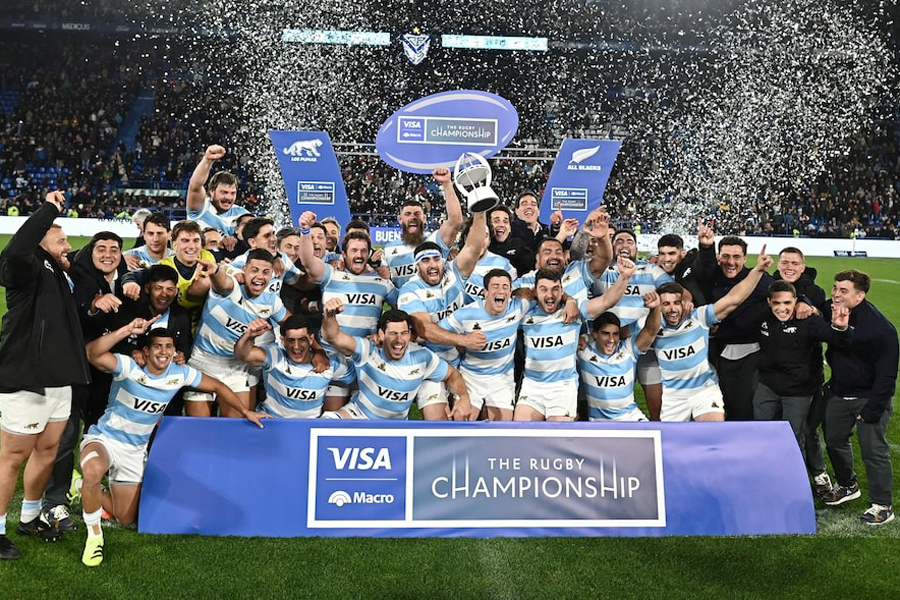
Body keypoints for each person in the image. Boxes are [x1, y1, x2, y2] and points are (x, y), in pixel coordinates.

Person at [79, 317, 267, 566]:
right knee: (94, 468)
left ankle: (80, 485)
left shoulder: (180, 374)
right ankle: (94, 538)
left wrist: (246, 412)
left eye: (169, 347)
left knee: (124, 518)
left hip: (135, 452)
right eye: (157, 346)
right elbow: (91, 353)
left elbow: (219, 387)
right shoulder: (128, 367)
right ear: (145, 351)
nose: (164, 352)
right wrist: (126, 330)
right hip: (104, 440)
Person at [0, 191, 91, 560]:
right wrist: (50, 208)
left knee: (48, 449)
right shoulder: (26, 266)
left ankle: (30, 516)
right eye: (62, 239)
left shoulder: (56, 269)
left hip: (59, 378)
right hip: (27, 377)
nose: (69, 246)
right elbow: (17, 248)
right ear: (40, 239)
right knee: (12, 457)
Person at [652, 245, 773, 422]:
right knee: (673, 445)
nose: (672, 309)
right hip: (673, 397)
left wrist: (757, 270)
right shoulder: (653, 327)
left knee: (712, 431)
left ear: (684, 302)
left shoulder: (699, 317)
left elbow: (733, 299)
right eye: (666, 304)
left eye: (676, 303)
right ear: (658, 307)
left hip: (704, 390)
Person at [819, 270, 898, 525]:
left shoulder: (882, 328)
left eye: (843, 290)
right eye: (834, 288)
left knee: (874, 452)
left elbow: (887, 375)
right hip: (839, 393)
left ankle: (883, 505)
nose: (835, 294)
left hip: (869, 397)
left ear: (860, 295)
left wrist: (874, 408)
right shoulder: (833, 309)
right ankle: (847, 485)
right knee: (833, 441)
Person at [397, 213, 489, 419]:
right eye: (425, 261)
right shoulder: (409, 291)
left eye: (436, 259)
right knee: (436, 422)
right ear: (417, 266)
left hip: (460, 360)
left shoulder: (453, 273)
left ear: (443, 260)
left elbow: (474, 247)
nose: (432, 265)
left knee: (467, 417)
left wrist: (481, 212)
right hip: (430, 365)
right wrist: (463, 340)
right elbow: (425, 330)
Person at [514, 262, 633, 422]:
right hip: (532, 385)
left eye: (555, 289)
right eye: (544, 289)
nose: (550, 295)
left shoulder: (574, 312)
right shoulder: (525, 312)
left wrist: (624, 277)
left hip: (562, 387)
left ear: (562, 290)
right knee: (522, 435)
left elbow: (606, 301)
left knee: (557, 438)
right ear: (535, 291)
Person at [320, 300, 476, 420]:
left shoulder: (423, 357)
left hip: (396, 427)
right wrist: (329, 316)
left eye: (404, 333)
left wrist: (463, 397)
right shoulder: (367, 350)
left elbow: (451, 375)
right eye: (393, 333)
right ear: (381, 335)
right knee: (324, 425)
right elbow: (333, 337)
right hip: (359, 416)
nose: (399, 340)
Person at [753, 280, 851, 472]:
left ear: (795, 301)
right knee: (760, 430)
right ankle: (764, 472)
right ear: (769, 302)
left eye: (787, 303)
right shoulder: (762, 318)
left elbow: (836, 339)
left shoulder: (809, 321)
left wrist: (840, 329)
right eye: (777, 303)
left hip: (798, 391)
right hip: (768, 386)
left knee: (793, 436)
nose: (782, 308)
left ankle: (794, 479)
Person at [185, 249, 290, 417]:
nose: (260, 277)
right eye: (254, 270)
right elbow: (223, 283)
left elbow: (292, 324)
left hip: (236, 367)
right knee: (199, 430)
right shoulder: (232, 287)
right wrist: (216, 271)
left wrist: (317, 349)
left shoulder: (271, 302)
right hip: (202, 362)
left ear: (271, 275)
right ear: (245, 270)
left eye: (266, 272)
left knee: (235, 429)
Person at [590, 228, 676, 421]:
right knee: (604, 405)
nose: (624, 245)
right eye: (619, 241)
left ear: (637, 248)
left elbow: (675, 291)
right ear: (612, 247)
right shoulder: (602, 271)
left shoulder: (651, 270)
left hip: (646, 346)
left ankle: (658, 441)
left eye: (629, 241)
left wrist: (631, 329)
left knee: (658, 411)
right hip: (609, 347)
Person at [694, 231, 774, 420]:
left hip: (749, 353)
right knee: (717, 403)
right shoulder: (709, 276)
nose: (731, 262)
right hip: (713, 354)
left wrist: (805, 301)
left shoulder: (759, 279)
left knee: (743, 405)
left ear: (745, 258)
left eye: (737, 257)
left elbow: (785, 293)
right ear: (718, 257)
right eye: (726, 256)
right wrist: (705, 246)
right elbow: (697, 268)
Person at [771, 247, 831, 495]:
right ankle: (778, 472)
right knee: (775, 426)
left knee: (808, 428)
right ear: (779, 263)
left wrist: (810, 306)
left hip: (808, 373)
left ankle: (818, 475)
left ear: (802, 267)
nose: (789, 267)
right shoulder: (768, 285)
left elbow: (822, 316)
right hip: (773, 374)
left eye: (795, 263)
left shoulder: (815, 292)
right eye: (785, 262)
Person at [234, 315, 353, 418]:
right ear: (283, 341)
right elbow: (243, 354)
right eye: (291, 340)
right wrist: (249, 336)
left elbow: (359, 377)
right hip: (271, 423)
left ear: (311, 339)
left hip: (307, 430)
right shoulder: (275, 357)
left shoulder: (329, 364)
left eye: (302, 340)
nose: (296, 346)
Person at [578, 296, 662, 421]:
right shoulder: (583, 351)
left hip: (630, 418)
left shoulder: (628, 349)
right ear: (595, 334)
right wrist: (584, 338)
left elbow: (650, 331)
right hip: (599, 423)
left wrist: (655, 309)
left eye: (615, 334)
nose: (611, 340)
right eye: (605, 333)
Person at [383, 167, 463, 288]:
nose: (413, 217)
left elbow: (455, 221)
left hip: (434, 304)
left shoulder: (435, 241)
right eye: (408, 214)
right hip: (403, 306)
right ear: (400, 219)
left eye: (417, 214)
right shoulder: (388, 250)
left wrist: (447, 183)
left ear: (424, 218)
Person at [185, 144, 250, 244]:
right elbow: (195, 186)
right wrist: (207, 160)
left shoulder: (242, 214)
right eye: (224, 192)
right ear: (212, 192)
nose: (228, 197)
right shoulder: (201, 208)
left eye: (232, 193)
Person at [487, 204, 534, 277]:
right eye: (496, 221)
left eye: (505, 222)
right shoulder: (482, 248)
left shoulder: (519, 245)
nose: (502, 225)